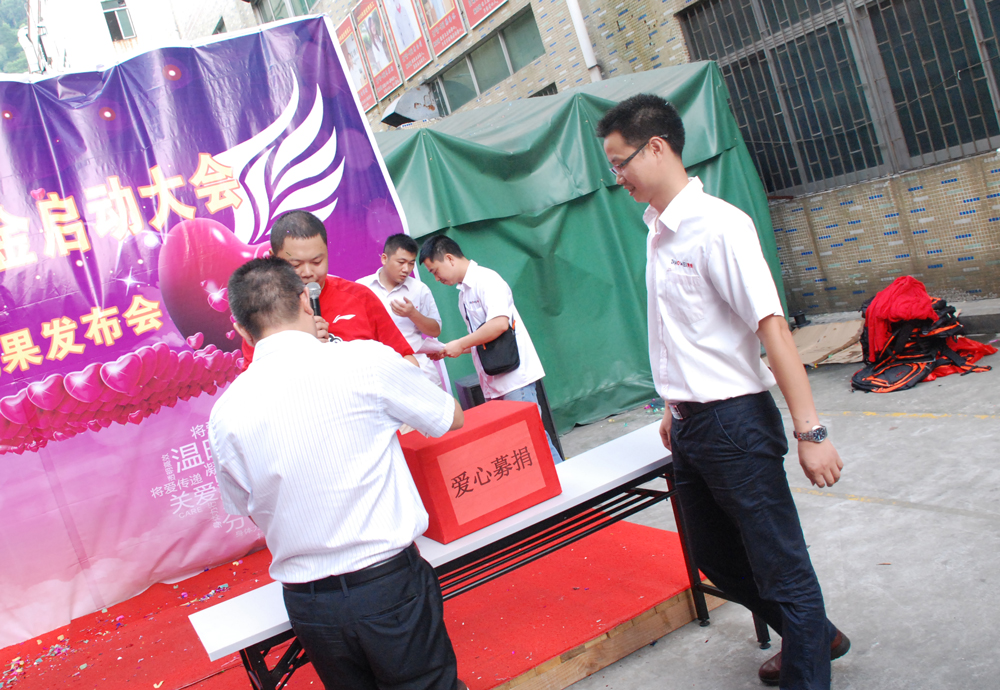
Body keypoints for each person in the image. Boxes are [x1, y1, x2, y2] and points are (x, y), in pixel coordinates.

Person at [597, 94, 849, 690]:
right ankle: (816, 636)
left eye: (620, 162)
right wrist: (672, 405)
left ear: (656, 148)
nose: (618, 177)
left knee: (781, 565)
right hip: (690, 425)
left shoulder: (720, 227)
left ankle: (807, 665)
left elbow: (772, 329)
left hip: (735, 423)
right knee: (714, 556)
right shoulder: (657, 230)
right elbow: (682, 333)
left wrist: (811, 431)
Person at [210, 256, 467, 690]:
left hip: (310, 605)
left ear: (240, 329)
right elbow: (450, 417)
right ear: (304, 301)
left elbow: (247, 508)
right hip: (387, 584)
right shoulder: (364, 361)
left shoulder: (226, 413)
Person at [419, 235, 563, 464]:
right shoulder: (463, 295)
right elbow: (484, 341)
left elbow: (499, 325)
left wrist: (461, 343)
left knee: (533, 439)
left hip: (514, 378)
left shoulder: (487, 279)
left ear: (450, 258)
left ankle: (564, 481)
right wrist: (448, 349)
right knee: (519, 445)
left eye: (435, 271)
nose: (437, 278)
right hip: (493, 383)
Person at [241, 210, 417, 367]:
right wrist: (300, 344)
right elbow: (253, 385)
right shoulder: (263, 312)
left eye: (317, 262)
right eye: (295, 264)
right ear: (273, 258)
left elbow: (408, 361)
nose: (308, 273)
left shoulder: (360, 297)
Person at [358, 233, 448, 390]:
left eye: (411, 263)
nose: (406, 269)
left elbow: (435, 330)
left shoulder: (419, 289)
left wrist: (413, 314)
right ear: (384, 258)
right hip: (384, 377)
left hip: (422, 372)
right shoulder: (361, 288)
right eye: (401, 262)